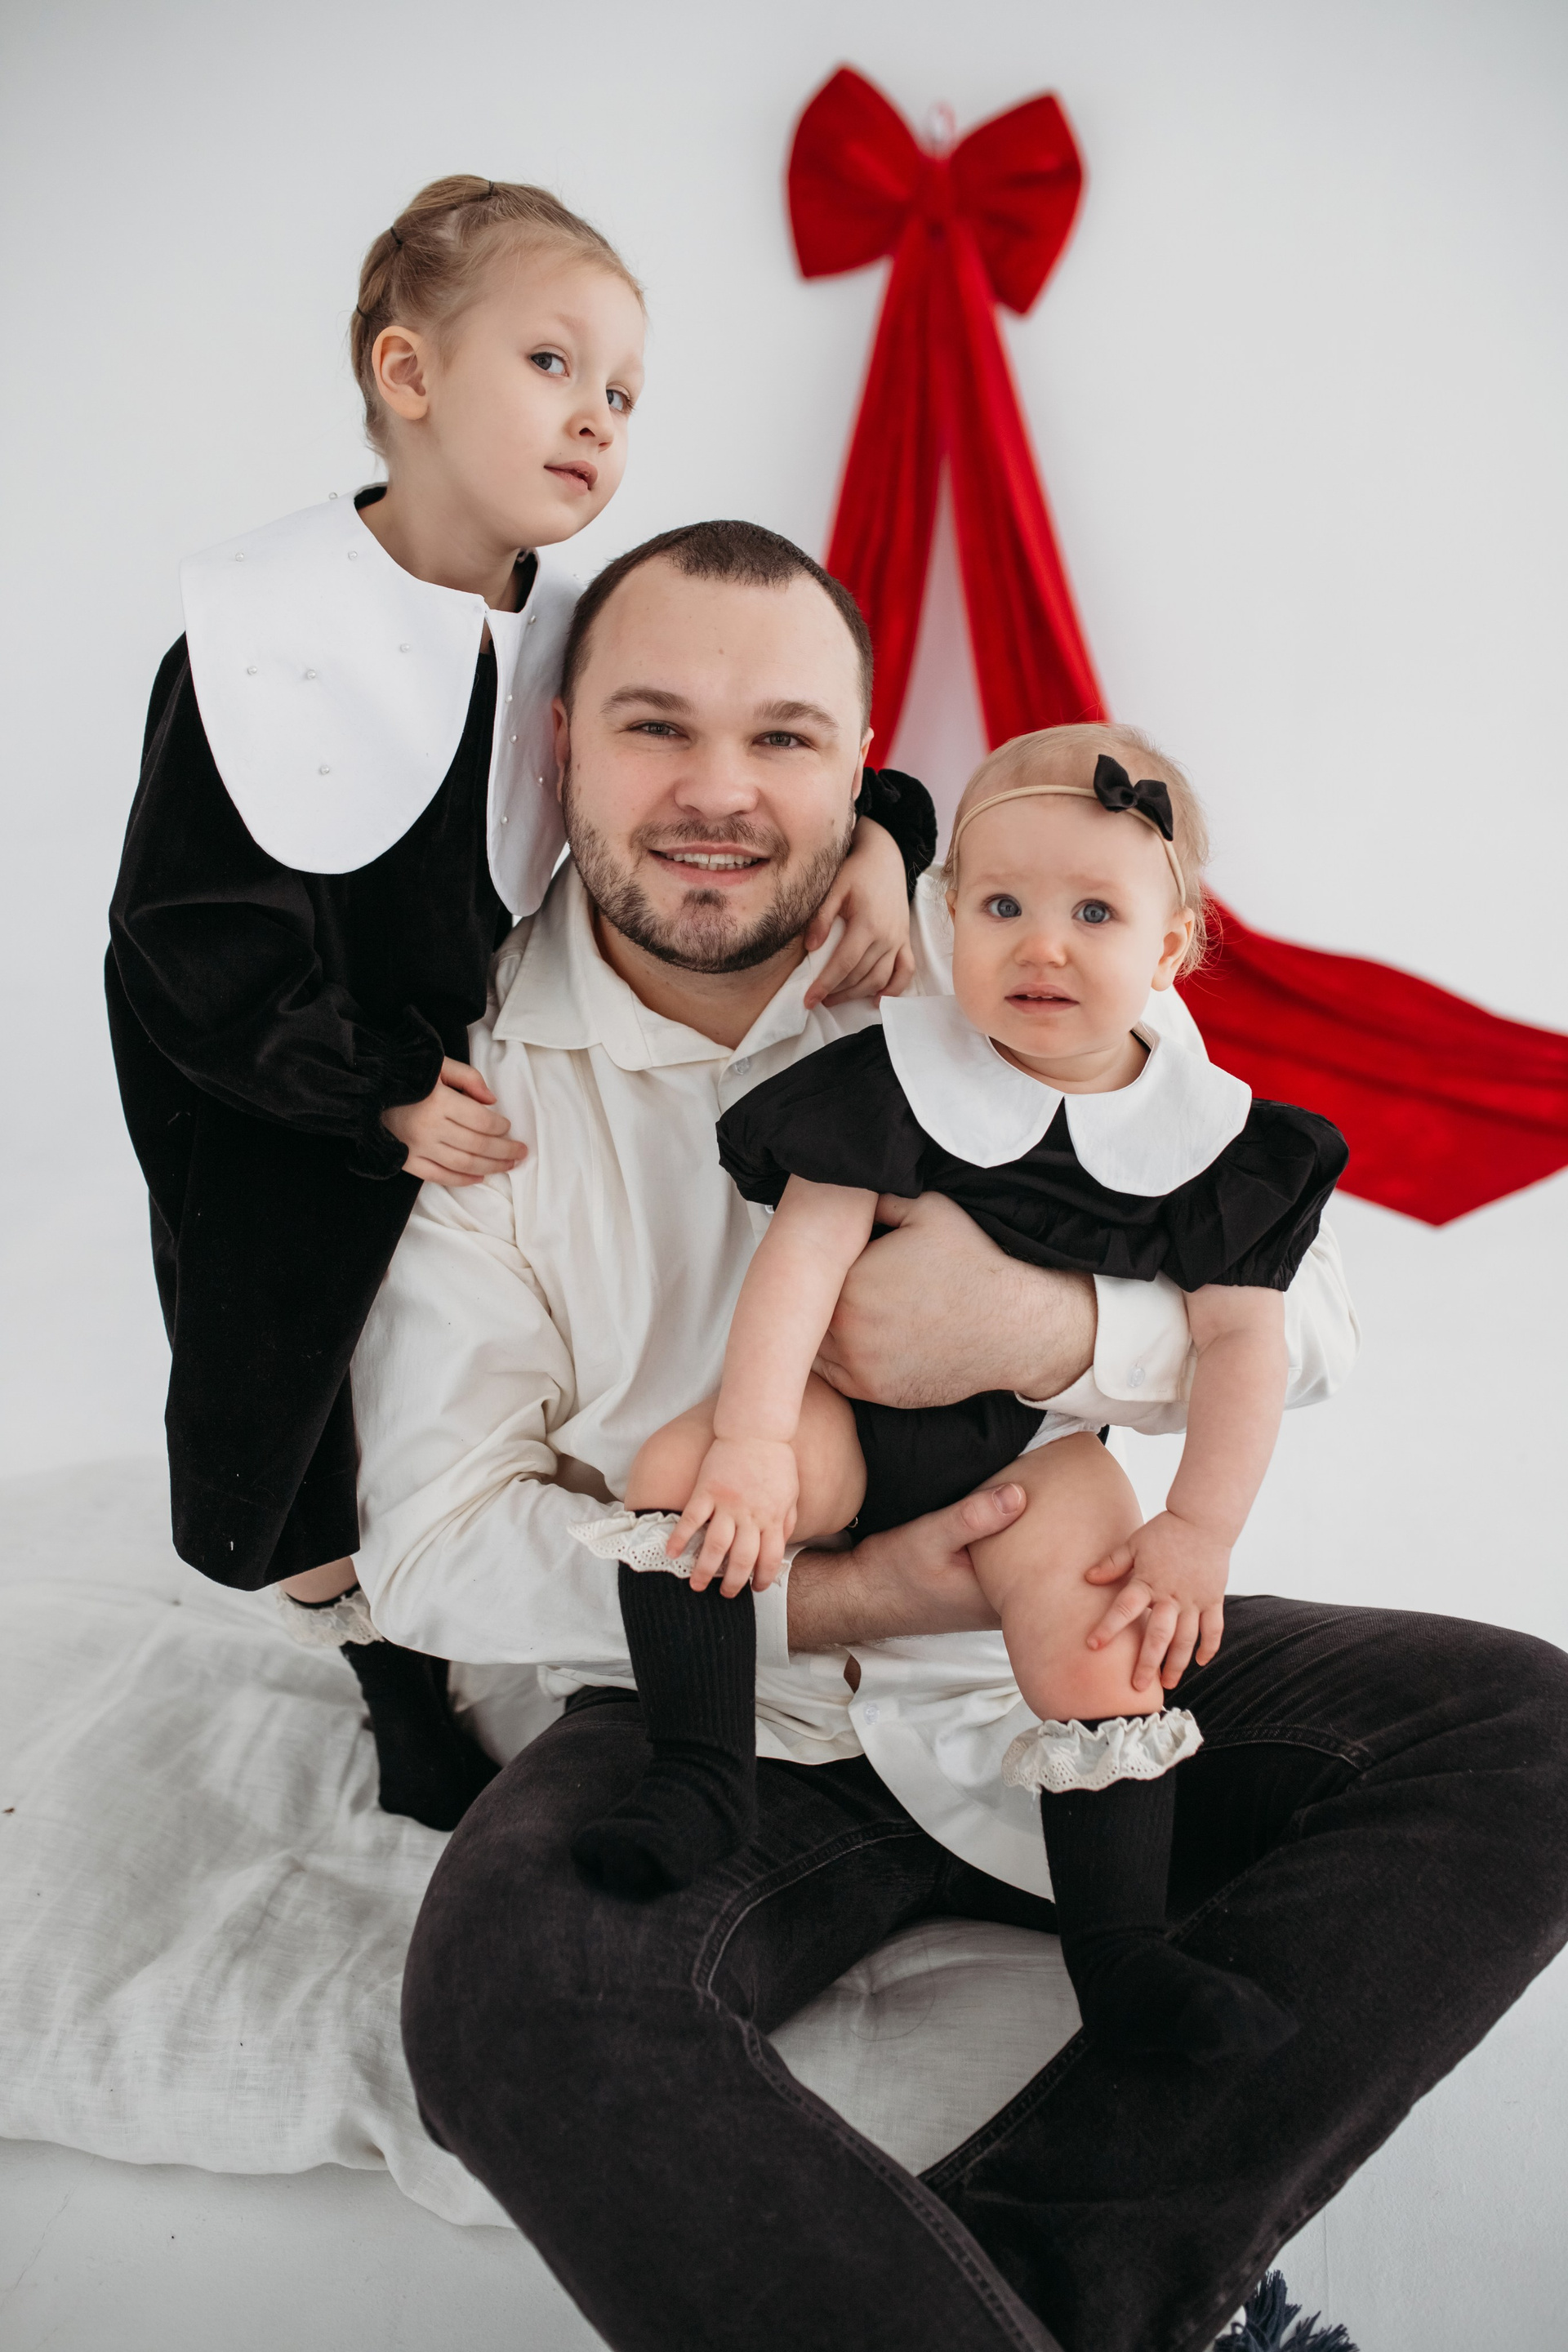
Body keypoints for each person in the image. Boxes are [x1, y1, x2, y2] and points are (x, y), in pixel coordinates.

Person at [342, 519, 1566, 2352]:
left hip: (1044, 1641)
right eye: (657, 727)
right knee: (507, 2002)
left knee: (1528, 1735)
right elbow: (431, 1548)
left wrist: (1056, 1326)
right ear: (565, 744)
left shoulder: (1019, 961)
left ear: (861, 769)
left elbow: (1308, 1316)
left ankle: (1059, 2284)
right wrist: (843, 1594)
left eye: (783, 739)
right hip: (701, 1693)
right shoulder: (471, 1085)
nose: (719, 793)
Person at [105, 180, 931, 1830]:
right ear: (409, 374)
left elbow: (764, 739)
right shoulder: (254, 639)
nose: (598, 416)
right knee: (299, 1426)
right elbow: (181, 939)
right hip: (276, 1087)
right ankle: (391, 1684)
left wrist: (887, 843)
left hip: (463, 1067)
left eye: (624, 390)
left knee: (416, 1392)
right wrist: (373, 1088)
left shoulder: (563, 626)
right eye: (554, 365)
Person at [568, 724, 1347, 2072]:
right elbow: (802, 1261)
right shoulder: (897, 1078)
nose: (1042, 946)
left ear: (1170, 949)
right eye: (1002, 907)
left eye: (1093, 914)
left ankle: (1122, 1950)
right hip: (849, 1424)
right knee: (684, 1475)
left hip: (1038, 1455)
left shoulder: (1211, 1142)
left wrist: (1199, 1530)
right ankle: (698, 1774)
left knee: (1109, 1626)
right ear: (946, 919)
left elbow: (1242, 1348)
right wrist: (755, 1438)